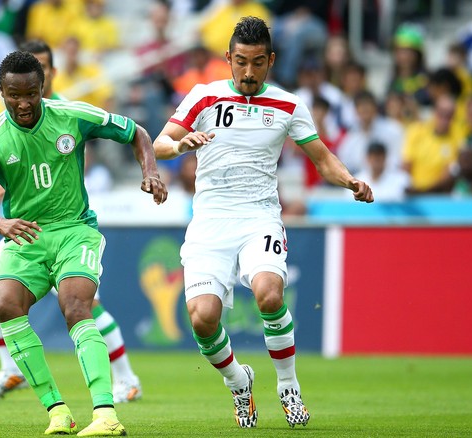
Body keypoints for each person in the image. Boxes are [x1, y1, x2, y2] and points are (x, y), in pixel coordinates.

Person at [152, 16, 373, 429]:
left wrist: (351, 181)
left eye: (257, 62)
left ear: (270, 60)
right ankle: (239, 382)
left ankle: (288, 386)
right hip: (210, 221)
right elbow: (160, 142)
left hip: (260, 217)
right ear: (228, 60)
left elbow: (322, 159)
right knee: (202, 318)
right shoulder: (203, 97)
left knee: (270, 295)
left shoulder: (289, 105)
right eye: (240, 62)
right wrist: (180, 144)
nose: (248, 72)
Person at [0, 50, 167, 436]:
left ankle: (106, 414)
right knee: (2, 303)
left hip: (74, 230)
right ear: (1, 91)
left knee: (75, 306)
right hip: (25, 234)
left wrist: (150, 170)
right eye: (13, 94)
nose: (23, 103)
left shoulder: (72, 115)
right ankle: (57, 411)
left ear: (42, 88)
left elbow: (135, 131)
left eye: (31, 93)